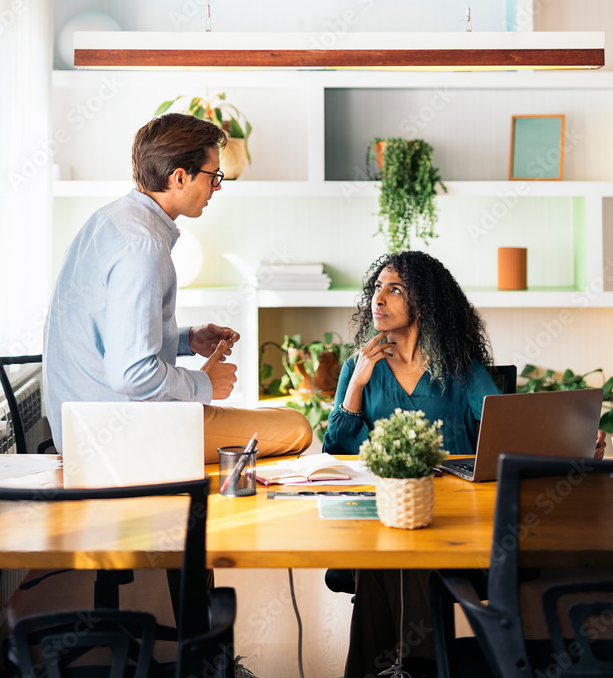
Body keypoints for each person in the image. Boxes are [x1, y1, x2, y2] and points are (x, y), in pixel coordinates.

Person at [324, 250, 607, 678]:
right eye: (377, 288)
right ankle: (409, 668)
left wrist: (577, 445)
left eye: (395, 289)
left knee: (399, 556)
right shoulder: (357, 368)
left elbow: (513, 430)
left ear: (424, 304)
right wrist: (357, 387)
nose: (378, 299)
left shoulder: (459, 367)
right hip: (387, 509)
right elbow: (339, 451)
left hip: (456, 514)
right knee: (386, 552)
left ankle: (396, 669)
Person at [44, 112, 311, 462]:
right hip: (119, 436)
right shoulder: (144, 247)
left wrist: (186, 339)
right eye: (213, 176)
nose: (217, 186)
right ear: (180, 177)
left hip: (84, 427)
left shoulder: (109, 220)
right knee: (297, 428)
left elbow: (113, 337)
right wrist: (204, 384)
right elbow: (130, 374)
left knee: (280, 423)